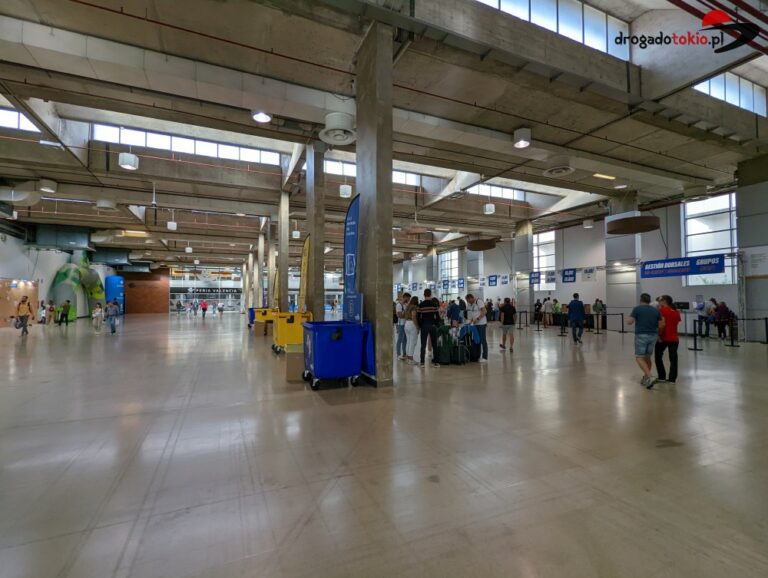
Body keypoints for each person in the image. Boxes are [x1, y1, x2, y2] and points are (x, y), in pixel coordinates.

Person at [627, 293, 664, 389]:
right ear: (649, 300)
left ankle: (650, 377)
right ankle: (646, 377)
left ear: (641, 300)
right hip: (653, 336)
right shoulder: (656, 310)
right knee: (647, 357)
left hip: (641, 335)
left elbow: (629, 322)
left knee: (639, 357)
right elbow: (661, 325)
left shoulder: (637, 309)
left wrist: (630, 318)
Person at [655, 295, 681, 384]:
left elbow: (661, 325)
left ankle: (662, 376)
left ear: (664, 301)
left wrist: (659, 335)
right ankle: (672, 379)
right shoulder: (676, 312)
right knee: (673, 359)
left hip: (663, 338)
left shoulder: (661, 311)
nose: (658, 302)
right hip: (674, 338)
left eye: (660, 300)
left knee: (658, 357)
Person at [417, 289, 441, 368]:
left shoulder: (421, 305)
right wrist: (435, 324)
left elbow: (418, 317)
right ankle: (436, 362)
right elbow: (437, 316)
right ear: (430, 295)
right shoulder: (434, 304)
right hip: (432, 326)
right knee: (434, 344)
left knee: (423, 344)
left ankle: (422, 363)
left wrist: (420, 325)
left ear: (424, 295)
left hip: (424, 325)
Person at [466, 294, 488, 362]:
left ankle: (485, 357)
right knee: (477, 340)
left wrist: (478, 319)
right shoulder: (471, 305)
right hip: (475, 324)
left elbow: (484, 311)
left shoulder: (479, 301)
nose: (468, 302)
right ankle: (477, 355)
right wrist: (470, 322)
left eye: (469, 300)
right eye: (467, 301)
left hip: (481, 324)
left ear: (471, 298)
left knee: (483, 340)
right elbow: (472, 315)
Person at [404, 296, 420, 365]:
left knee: (408, 341)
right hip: (412, 324)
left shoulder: (408, 306)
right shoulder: (413, 307)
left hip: (406, 323)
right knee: (413, 342)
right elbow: (413, 317)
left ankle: (408, 357)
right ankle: (410, 358)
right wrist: (417, 327)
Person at [395, 293, 410, 360]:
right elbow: (400, 316)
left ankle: (404, 353)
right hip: (400, 324)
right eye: (408, 298)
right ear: (405, 297)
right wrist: (405, 314)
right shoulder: (399, 305)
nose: (409, 300)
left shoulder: (405, 305)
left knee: (405, 340)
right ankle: (398, 354)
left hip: (405, 324)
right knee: (400, 339)